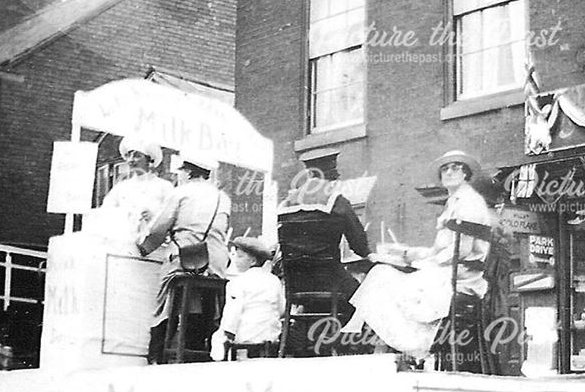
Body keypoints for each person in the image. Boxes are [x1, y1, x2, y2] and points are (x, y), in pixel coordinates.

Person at [345, 150, 492, 359]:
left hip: (460, 277)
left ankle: (403, 347)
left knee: (382, 278)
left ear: (466, 173)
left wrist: (428, 262)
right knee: (381, 273)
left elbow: (462, 250)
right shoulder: (454, 201)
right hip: (448, 271)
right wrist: (406, 253)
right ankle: (387, 345)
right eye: (445, 169)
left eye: (456, 168)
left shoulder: (469, 201)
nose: (449, 172)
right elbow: (439, 250)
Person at [138, 149, 231, 364]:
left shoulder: (181, 192)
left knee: (163, 300)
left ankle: (157, 355)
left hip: (185, 257)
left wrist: (144, 247)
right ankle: (197, 345)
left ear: (188, 172)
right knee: (202, 300)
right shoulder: (222, 197)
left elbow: (159, 228)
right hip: (215, 261)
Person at [277, 148, 370, 324]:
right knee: (364, 297)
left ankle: (314, 340)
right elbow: (360, 247)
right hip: (332, 283)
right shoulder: (337, 202)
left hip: (297, 287)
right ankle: (345, 344)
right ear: (332, 175)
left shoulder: (285, 205)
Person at [210, 236, 283, 361]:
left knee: (217, 337)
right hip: (271, 335)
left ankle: (219, 362)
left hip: (247, 335)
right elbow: (281, 309)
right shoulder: (274, 280)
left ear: (253, 261)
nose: (235, 260)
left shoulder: (237, 282)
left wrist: (228, 333)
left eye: (240, 257)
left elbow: (233, 313)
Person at [100, 136, 174, 252]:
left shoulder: (164, 187)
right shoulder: (121, 188)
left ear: (149, 160)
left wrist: (154, 218)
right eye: (129, 155)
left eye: (137, 155)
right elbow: (105, 214)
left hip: (154, 250)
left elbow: (172, 220)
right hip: (123, 248)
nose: (131, 160)